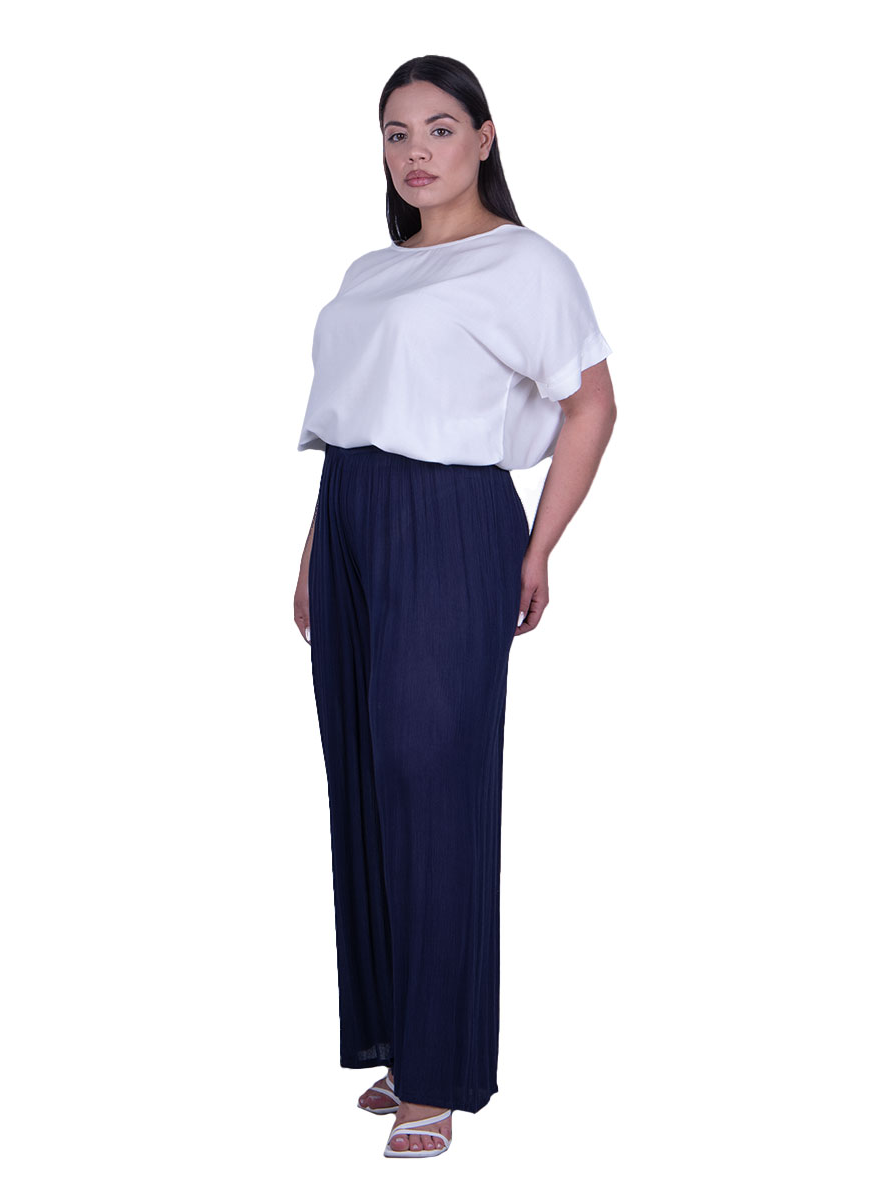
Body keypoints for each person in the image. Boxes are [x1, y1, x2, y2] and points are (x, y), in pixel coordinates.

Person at [292, 55, 616, 1159]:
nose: (415, 152)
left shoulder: (526, 263)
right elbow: (355, 416)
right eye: (396, 133)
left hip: (450, 523)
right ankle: (399, 1039)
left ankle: (442, 1072)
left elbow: (592, 404)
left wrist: (540, 545)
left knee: (434, 784)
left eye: (438, 127)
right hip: (349, 519)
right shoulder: (370, 270)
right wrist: (315, 550)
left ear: (484, 137)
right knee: (366, 784)